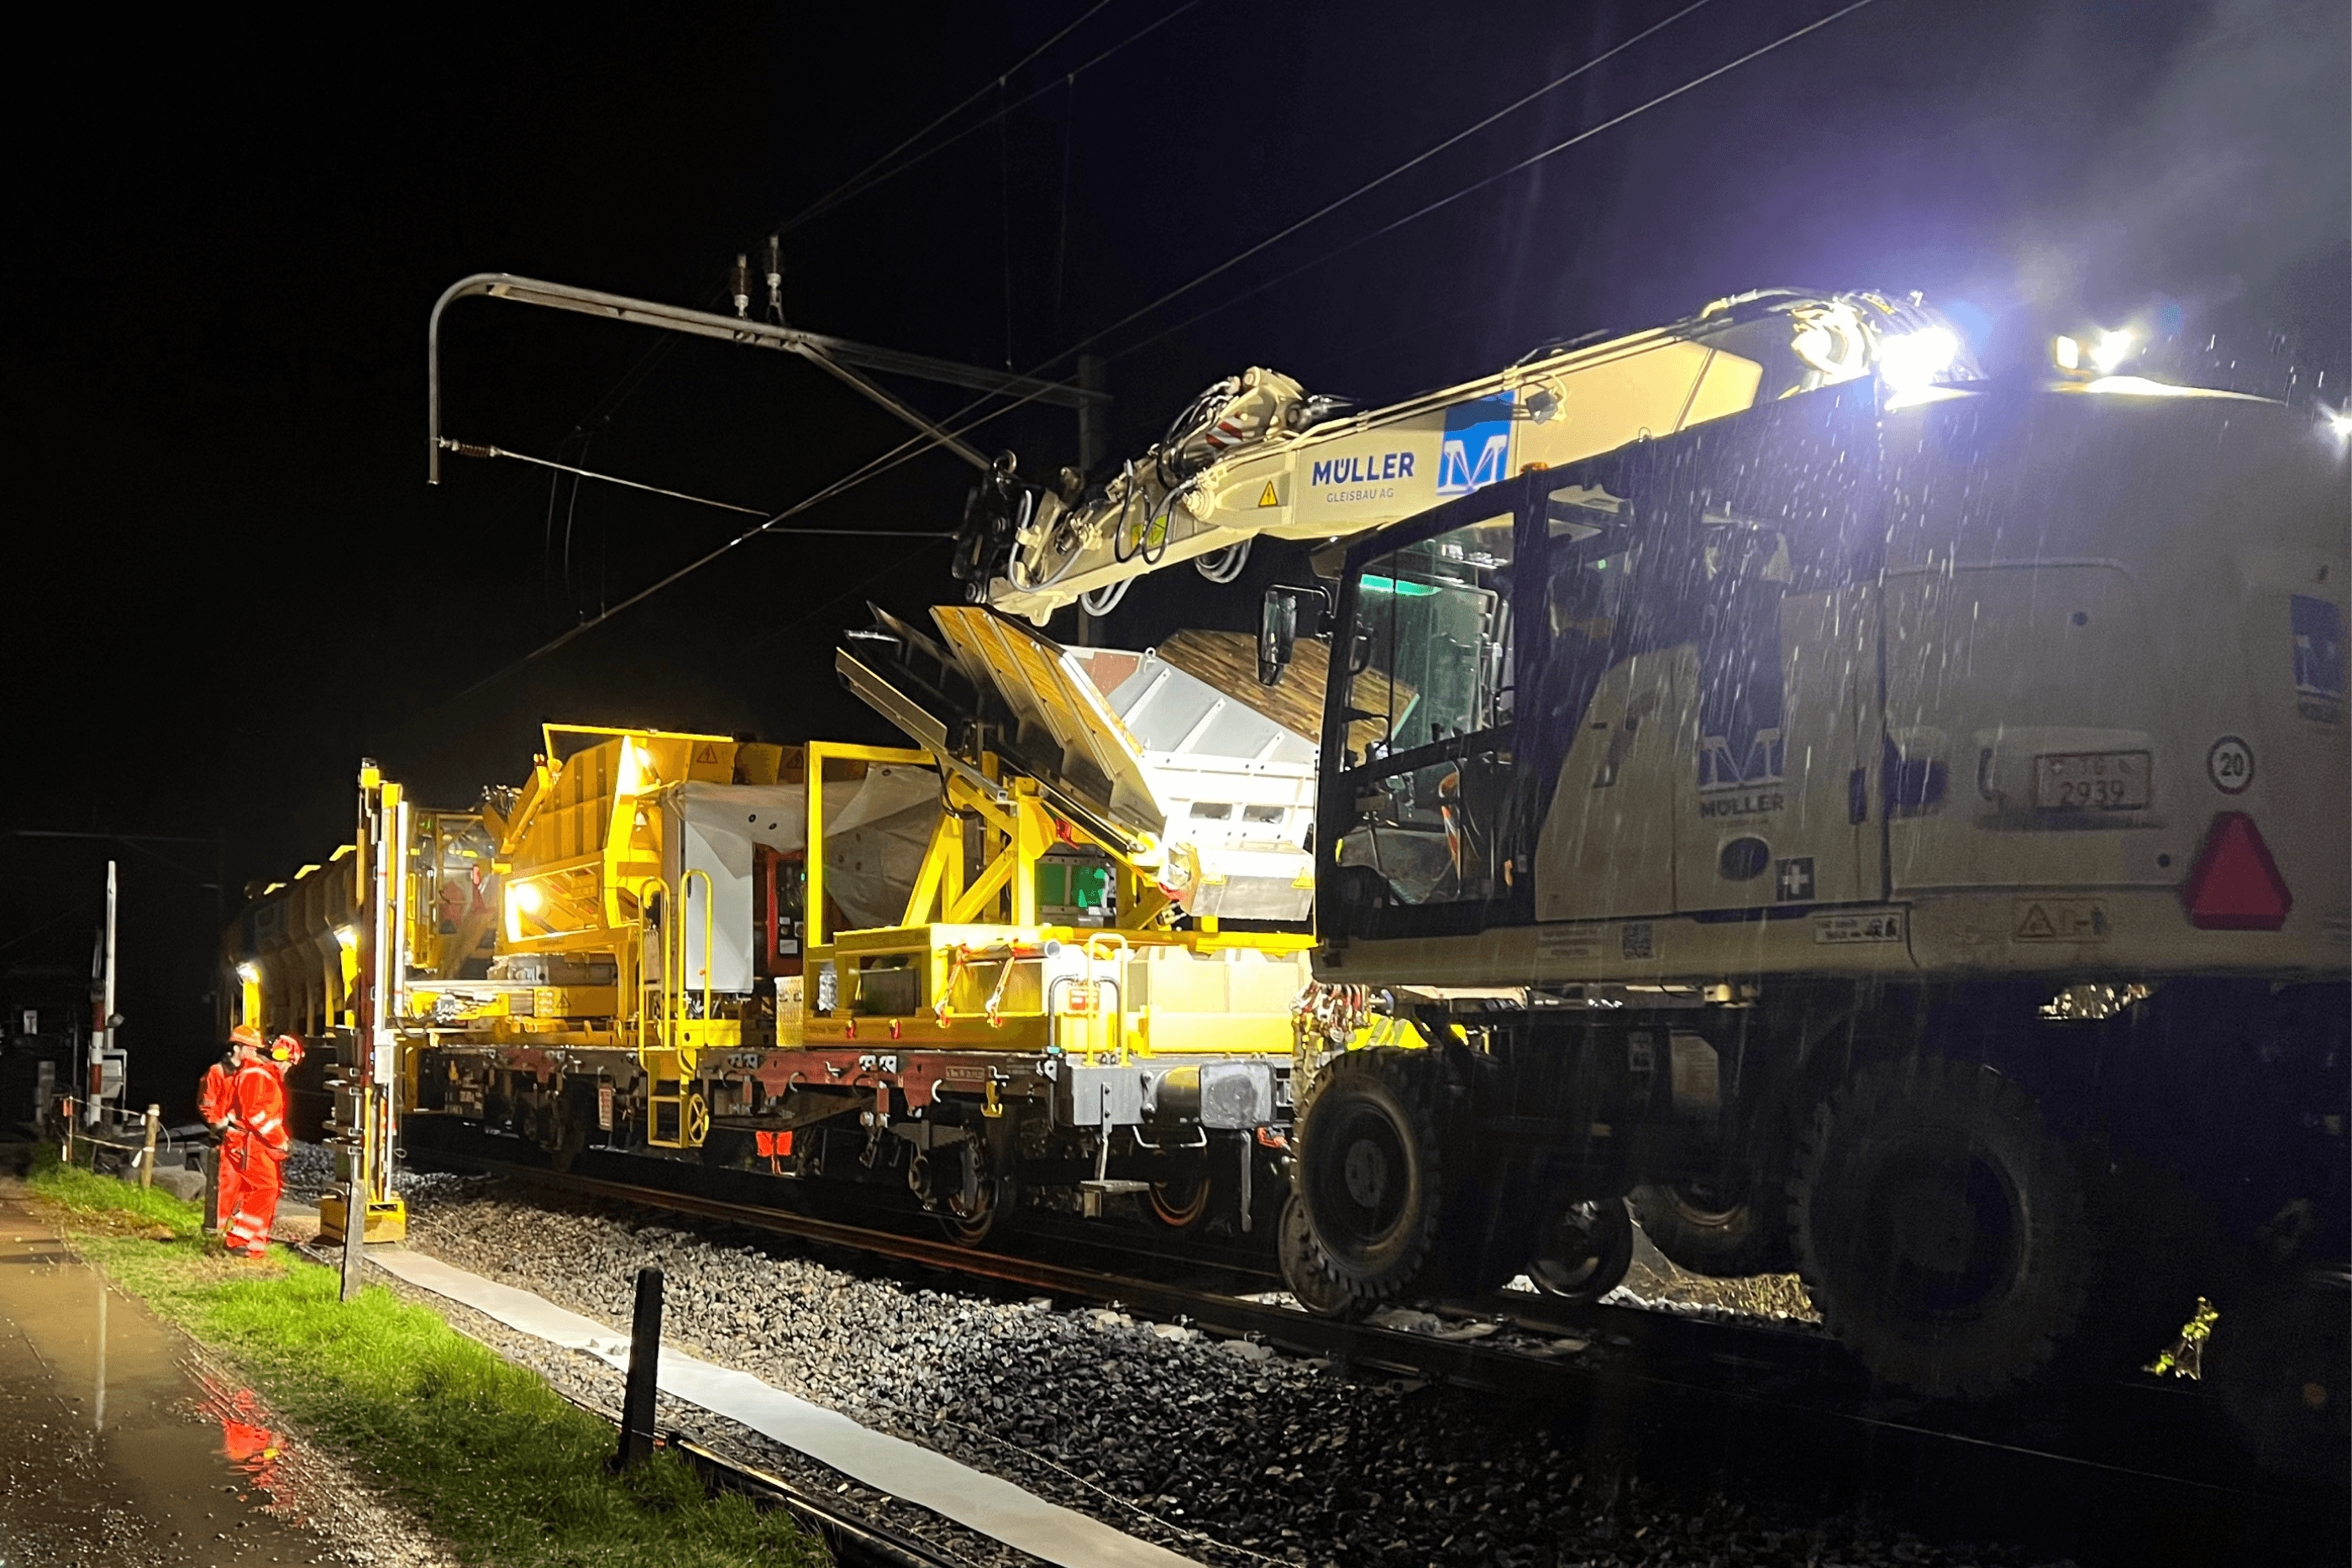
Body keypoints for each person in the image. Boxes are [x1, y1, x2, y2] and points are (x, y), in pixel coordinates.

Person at [221, 1033, 301, 1260]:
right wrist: (279, 1140)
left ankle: (255, 1246)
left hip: (254, 1141)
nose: (287, 1068)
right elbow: (256, 1115)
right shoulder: (259, 1076)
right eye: (289, 1063)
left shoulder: (263, 1075)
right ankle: (238, 1239)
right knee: (266, 1188)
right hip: (251, 1142)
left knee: (260, 1190)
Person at [200, 1026, 259, 1237]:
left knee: (246, 1191)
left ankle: (237, 1235)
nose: (255, 1053)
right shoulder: (217, 1072)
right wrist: (219, 1124)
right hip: (225, 1139)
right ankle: (214, 1234)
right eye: (251, 1049)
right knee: (225, 1189)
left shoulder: (250, 1072)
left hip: (245, 1140)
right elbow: (207, 1104)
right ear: (238, 1048)